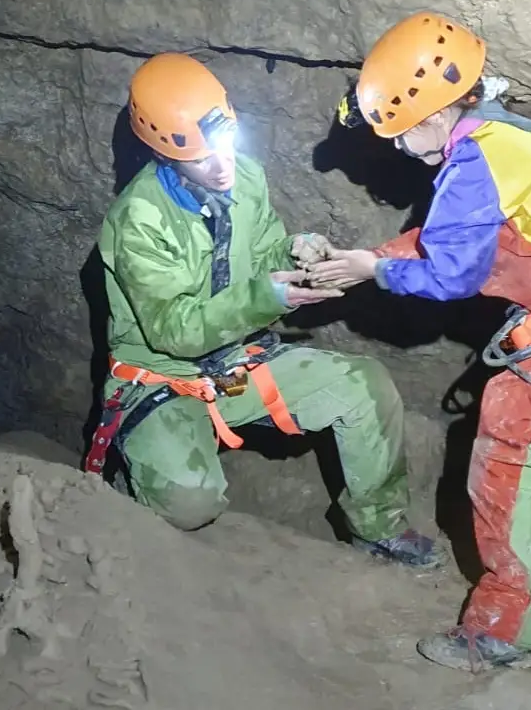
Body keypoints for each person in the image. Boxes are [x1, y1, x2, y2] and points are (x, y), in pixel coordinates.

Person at [308, 11, 531, 671]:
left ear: (433, 113)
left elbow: (452, 271)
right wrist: (364, 258)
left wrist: (373, 270)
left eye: (398, 130)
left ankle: (504, 630)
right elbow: (449, 235)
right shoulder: (504, 138)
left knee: (504, 464)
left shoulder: (474, 160)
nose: (393, 147)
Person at [83, 51, 442, 570]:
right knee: (190, 501)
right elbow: (176, 332)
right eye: (201, 158)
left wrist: (296, 252)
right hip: (162, 378)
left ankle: (379, 526)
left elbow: (263, 251)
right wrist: (266, 298)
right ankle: (132, 485)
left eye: (224, 146)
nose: (221, 165)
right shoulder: (139, 221)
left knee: (363, 386)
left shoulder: (244, 178)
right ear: (164, 153)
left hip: (235, 361)